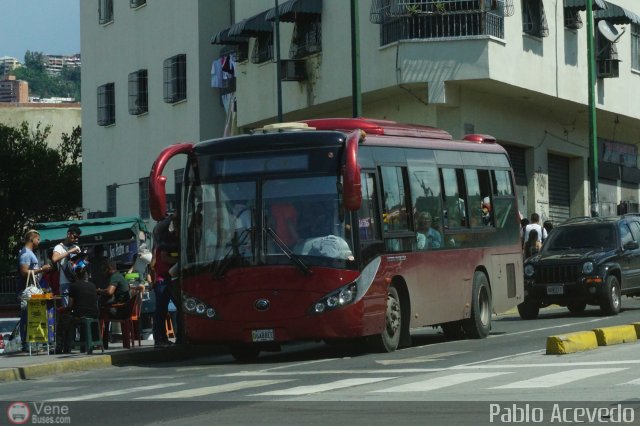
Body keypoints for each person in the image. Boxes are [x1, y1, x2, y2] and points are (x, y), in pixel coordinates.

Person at [17, 230, 52, 352]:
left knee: (31, 316)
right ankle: (26, 344)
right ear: (32, 239)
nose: (39, 241)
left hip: (32, 289)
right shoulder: (26, 253)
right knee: (27, 317)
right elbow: (24, 271)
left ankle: (31, 343)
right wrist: (42, 269)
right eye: (38, 239)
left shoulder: (29, 252)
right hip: (26, 290)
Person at [150, 212, 179, 347]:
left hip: (170, 278)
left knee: (178, 308)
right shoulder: (164, 239)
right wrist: (180, 261)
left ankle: (173, 337)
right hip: (164, 279)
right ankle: (160, 338)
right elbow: (164, 258)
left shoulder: (173, 239)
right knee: (161, 310)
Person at [57, 260, 99, 353]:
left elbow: (69, 306)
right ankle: (83, 347)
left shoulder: (73, 286)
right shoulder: (92, 285)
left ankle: (63, 348)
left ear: (76, 275)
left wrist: (62, 309)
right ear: (85, 275)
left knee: (64, 320)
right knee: (76, 319)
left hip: (80, 314)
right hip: (94, 314)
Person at [52, 224, 83, 307]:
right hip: (65, 281)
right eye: (75, 237)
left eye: (78, 238)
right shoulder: (59, 247)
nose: (76, 239)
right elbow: (54, 259)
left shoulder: (76, 247)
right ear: (69, 234)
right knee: (66, 308)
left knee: (77, 306)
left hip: (76, 281)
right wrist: (69, 252)